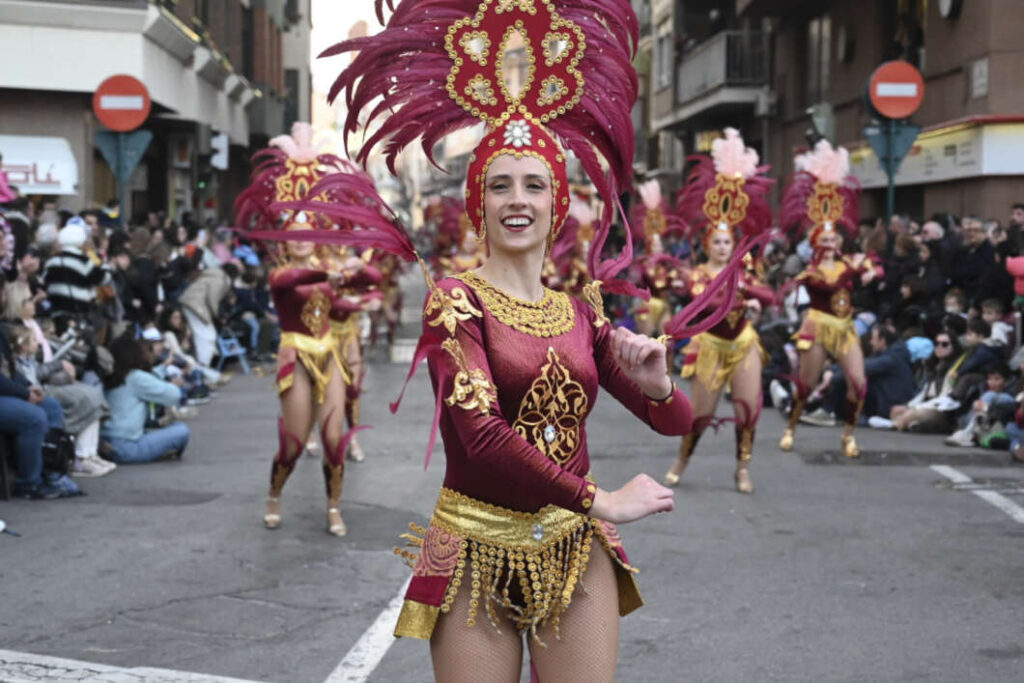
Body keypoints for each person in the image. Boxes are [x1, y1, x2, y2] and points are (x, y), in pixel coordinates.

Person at [316, 2, 707, 679]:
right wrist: (601, 499)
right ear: (479, 203)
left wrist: (659, 385)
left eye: (533, 184)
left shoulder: (581, 311)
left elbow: (677, 422)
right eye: (499, 185)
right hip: (474, 547)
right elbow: (481, 437)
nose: (517, 198)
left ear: (558, 204)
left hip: (572, 550)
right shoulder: (455, 303)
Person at [235, 122, 381, 537]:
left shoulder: (326, 272)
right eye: (294, 235)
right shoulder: (282, 274)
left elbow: (368, 279)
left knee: (333, 438)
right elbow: (296, 284)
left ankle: (334, 507)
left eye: (309, 234)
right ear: (285, 240)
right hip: (295, 356)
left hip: (328, 353)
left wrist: (356, 272)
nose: (302, 241)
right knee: (295, 443)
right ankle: (275, 495)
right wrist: (334, 272)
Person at [665, 128, 775, 493]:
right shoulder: (697, 273)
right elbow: (703, 302)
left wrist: (745, 287)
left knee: (748, 409)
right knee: (701, 416)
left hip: (743, 342)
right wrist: (735, 289)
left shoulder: (746, 270)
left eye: (729, 241)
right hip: (711, 345)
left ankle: (743, 469)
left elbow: (770, 296)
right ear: (708, 242)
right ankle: (682, 460)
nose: (724, 246)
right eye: (718, 241)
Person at [779, 140, 880, 458]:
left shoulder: (849, 262)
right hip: (818, 326)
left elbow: (874, 265)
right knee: (806, 386)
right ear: (813, 242)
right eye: (822, 239)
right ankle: (792, 425)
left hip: (845, 327)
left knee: (858, 383)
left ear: (839, 238)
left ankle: (848, 435)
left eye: (833, 238)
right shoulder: (811, 271)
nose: (829, 243)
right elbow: (828, 282)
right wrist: (857, 270)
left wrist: (870, 271)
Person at [101, 334, 190, 464]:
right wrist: (171, 384)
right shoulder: (135, 377)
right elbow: (173, 395)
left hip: (103, 444)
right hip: (127, 447)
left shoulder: (109, 377)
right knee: (181, 431)